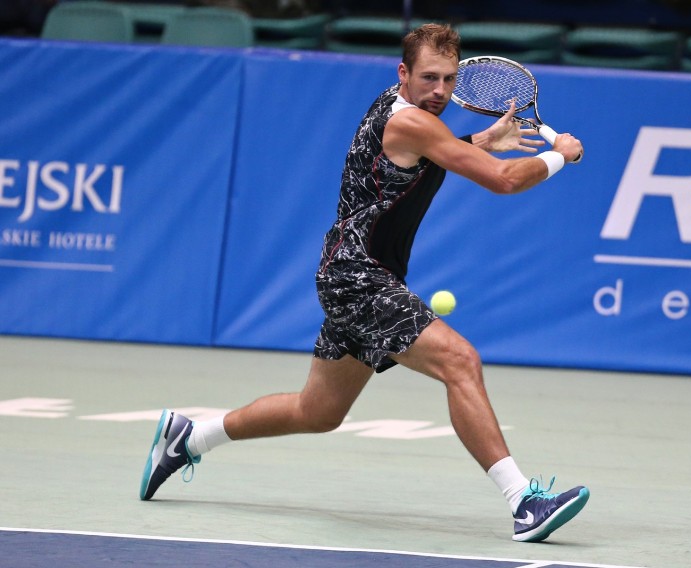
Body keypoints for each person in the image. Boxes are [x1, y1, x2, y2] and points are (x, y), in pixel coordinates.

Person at [140, 23, 588, 543]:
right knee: (460, 360)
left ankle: (190, 437)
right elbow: (503, 179)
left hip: (350, 273)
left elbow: (425, 160)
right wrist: (562, 155)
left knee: (318, 411)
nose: (440, 90)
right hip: (358, 276)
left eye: (447, 78)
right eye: (428, 78)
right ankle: (523, 502)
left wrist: (480, 140)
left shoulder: (401, 110)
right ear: (404, 73)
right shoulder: (415, 123)